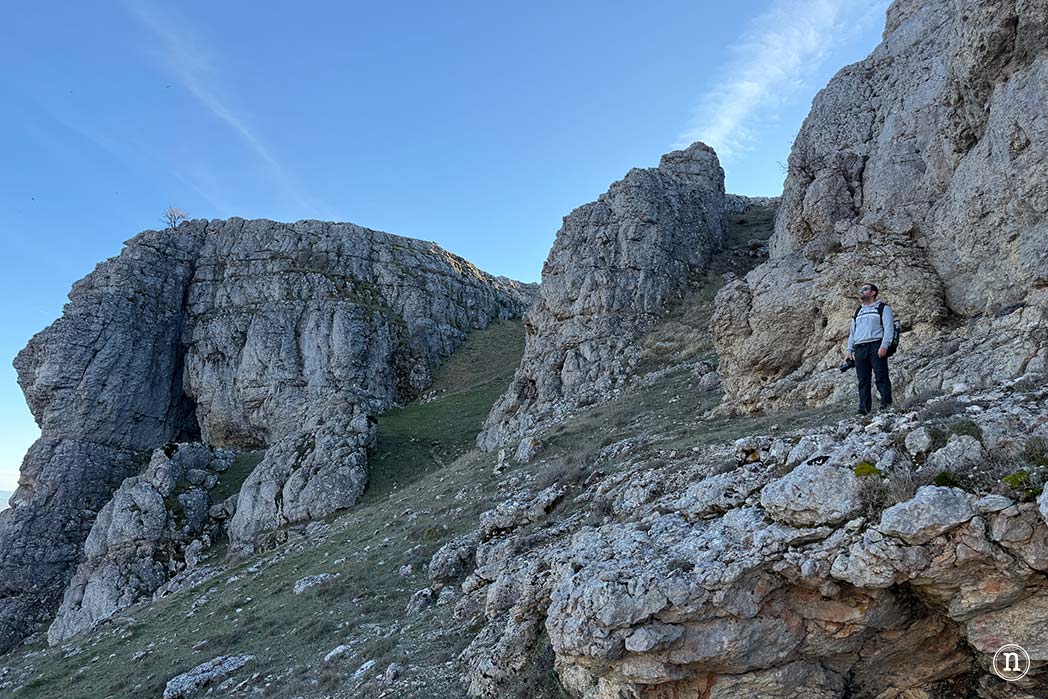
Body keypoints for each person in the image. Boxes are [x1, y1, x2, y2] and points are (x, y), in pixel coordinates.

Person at [845, 283, 894, 415]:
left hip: (876, 345)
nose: (861, 291)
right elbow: (852, 332)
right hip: (860, 348)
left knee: (881, 377)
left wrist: (884, 345)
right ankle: (864, 410)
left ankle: (886, 406)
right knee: (863, 380)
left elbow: (889, 328)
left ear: (873, 293)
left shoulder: (883, 308)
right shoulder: (858, 311)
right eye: (861, 289)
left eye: (865, 289)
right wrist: (849, 351)